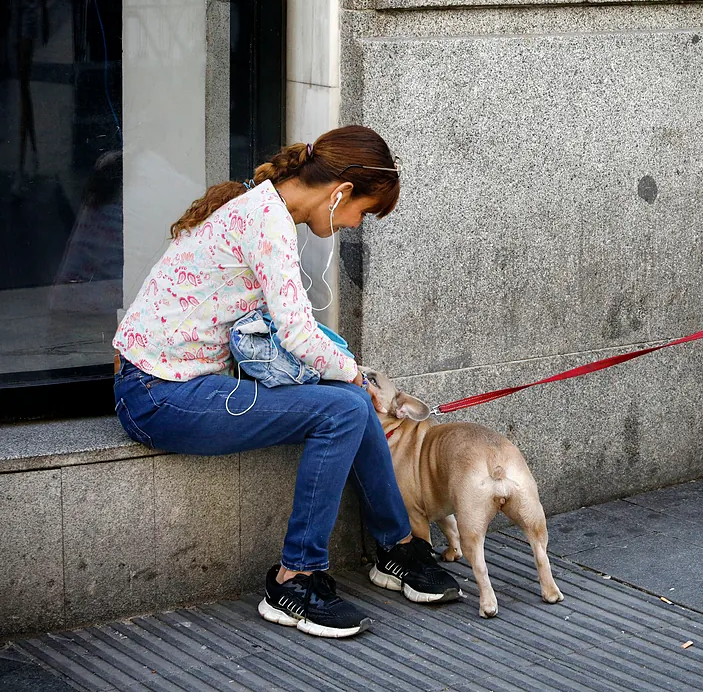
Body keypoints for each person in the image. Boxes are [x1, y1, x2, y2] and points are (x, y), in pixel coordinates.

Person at [113, 125, 460, 639]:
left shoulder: (266, 209)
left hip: (176, 386)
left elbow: (293, 332)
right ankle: (294, 580)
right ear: (341, 191)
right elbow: (297, 334)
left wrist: (349, 378)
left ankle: (398, 548)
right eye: (361, 212)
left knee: (347, 402)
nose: (352, 224)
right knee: (345, 405)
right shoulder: (267, 221)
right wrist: (357, 375)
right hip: (158, 396)